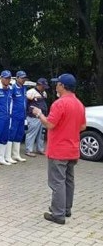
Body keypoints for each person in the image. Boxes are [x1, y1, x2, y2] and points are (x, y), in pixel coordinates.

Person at [30, 73, 85, 225]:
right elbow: (83, 126)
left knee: (57, 182)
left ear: (63, 86)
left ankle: (58, 214)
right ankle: (66, 208)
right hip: (72, 149)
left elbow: (49, 124)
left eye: (58, 84)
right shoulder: (79, 104)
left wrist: (39, 113)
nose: (56, 86)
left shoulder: (59, 103)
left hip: (59, 149)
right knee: (68, 180)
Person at [6, 71, 28, 163]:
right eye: (22, 78)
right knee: (11, 134)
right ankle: (8, 156)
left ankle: (16, 155)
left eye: (24, 78)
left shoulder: (24, 88)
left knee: (19, 134)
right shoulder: (13, 88)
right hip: (14, 116)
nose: (23, 80)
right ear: (17, 78)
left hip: (22, 116)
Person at [26, 78, 49, 157]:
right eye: (43, 86)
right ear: (38, 85)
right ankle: (29, 150)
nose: (44, 88)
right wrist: (29, 112)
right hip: (33, 117)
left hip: (42, 116)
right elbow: (26, 104)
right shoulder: (30, 92)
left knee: (41, 134)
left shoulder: (44, 93)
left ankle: (40, 149)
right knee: (32, 133)